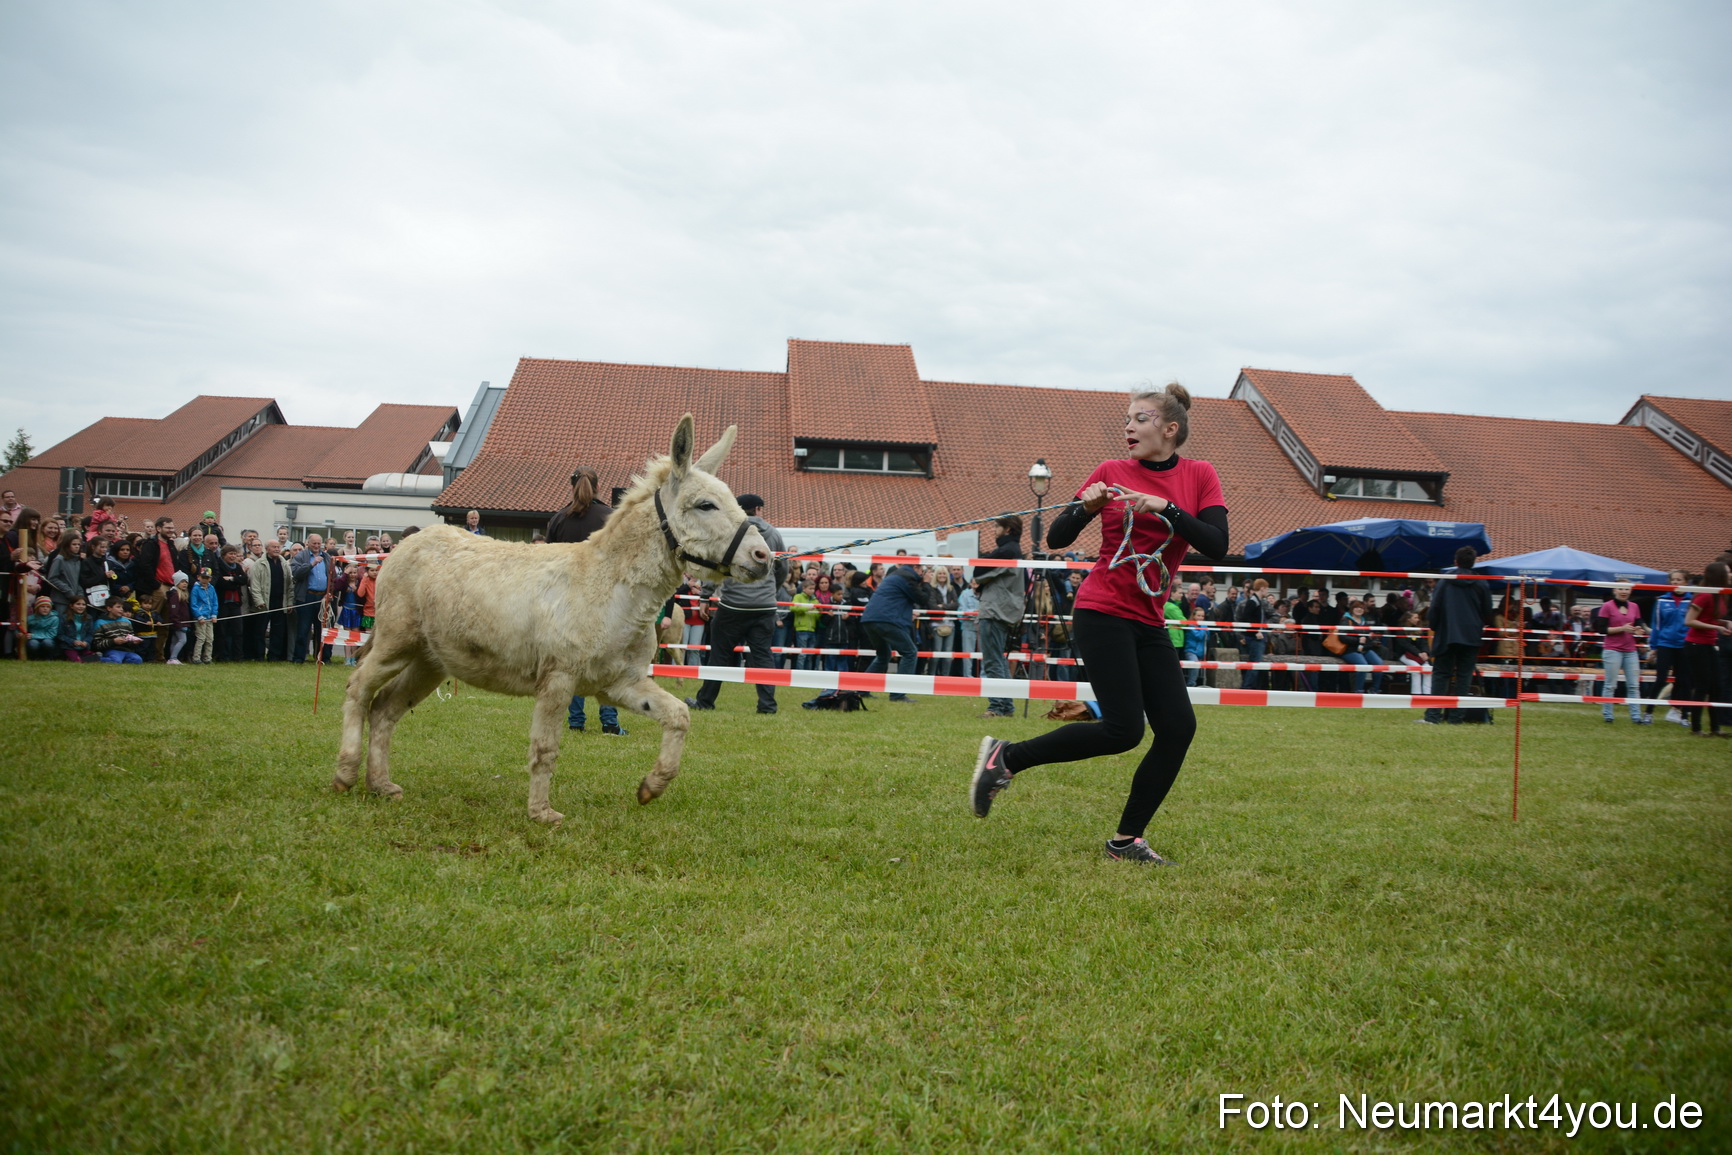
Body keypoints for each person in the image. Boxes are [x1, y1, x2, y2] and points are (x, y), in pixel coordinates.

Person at [972, 382, 1228, 866]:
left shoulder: (1200, 475)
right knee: (1124, 730)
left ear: (1170, 429)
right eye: (1127, 419)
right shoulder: (1111, 472)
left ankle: (1126, 841)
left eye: (1141, 418)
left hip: (1150, 619)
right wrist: (1084, 507)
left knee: (1177, 729)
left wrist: (1166, 509)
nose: (1129, 427)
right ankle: (1007, 758)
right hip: (1103, 608)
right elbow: (1055, 536)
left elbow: (1216, 542)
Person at [688, 494, 788, 715]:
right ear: (758, 509)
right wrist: (771, 590)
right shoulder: (773, 534)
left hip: (733, 606)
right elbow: (783, 569)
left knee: (719, 655)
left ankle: (705, 701)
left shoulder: (729, 534)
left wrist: (705, 596)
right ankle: (767, 706)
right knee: (763, 656)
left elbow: (714, 566)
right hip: (765, 606)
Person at [544, 466, 627, 733]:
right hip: (604, 601)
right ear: (599, 487)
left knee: (571, 663)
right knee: (607, 662)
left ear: (571, 487)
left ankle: (576, 721)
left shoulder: (557, 520)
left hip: (568, 603)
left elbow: (548, 563)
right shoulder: (611, 518)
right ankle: (610, 723)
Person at [1422, 548, 1495, 724]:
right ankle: (1456, 717)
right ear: (1473, 562)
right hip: (1471, 635)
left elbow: (1435, 608)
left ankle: (1433, 716)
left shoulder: (1446, 581)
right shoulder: (1481, 583)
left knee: (1441, 675)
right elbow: (1488, 611)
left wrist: (1434, 627)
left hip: (1447, 634)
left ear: (1456, 561)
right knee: (1464, 677)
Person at [974, 516, 1026, 718]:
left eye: (997, 526)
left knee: (992, 661)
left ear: (1008, 529)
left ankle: (996, 707)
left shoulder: (1006, 551)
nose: (994, 530)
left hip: (995, 610)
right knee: (999, 660)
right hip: (1004, 609)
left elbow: (979, 571)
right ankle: (1006, 706)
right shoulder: (1014, 550)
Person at [859, 560, 927, 702]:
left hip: (869, 619)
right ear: (915, 567)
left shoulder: (894, 576)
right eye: (922, 569)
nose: (923, 572)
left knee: (883, 655)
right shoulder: (908, 578)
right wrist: (925, 582)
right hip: (886, 620)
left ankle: (861, 690)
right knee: (910, 653)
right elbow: (923, 599)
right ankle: (897, 694)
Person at [1681, 561, 1729, 738]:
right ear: (1719, 575)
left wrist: (1725, 623)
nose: (1730, 575)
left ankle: (1715, 728)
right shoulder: (1705, 595)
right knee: (1702, 686)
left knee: (1717, 686)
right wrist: (1717, 628)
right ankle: (1696, 728)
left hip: (1709, 644)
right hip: (1696, 644)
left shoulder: (1721, 595)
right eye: (1728, 572)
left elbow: (1711, 618)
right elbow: (1689, 620)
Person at [1592, 583, 1648, 724]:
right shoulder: (1607, 606)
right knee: (1610, 684)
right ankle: (1608, 715)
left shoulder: (1634, 606)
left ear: (1630, 591)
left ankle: (1636, 716)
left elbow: (1639, 625)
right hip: (1612, 649)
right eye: (1621, 588)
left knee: (1634, 685)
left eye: (1627, 589)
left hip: (1630, 650)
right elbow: (1602, 629)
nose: (1624, 591)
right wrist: (1622, 628)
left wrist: (1639, 631)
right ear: (1614, 590)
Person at [1646, 571, 1693, 724]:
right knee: (1660, 679)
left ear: (1686, 582)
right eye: (1673, 580)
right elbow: (1656, 625)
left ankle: (1683, 715)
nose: (1676, 582)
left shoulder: (1692, 601)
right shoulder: (1661, 601)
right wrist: (1653, 647)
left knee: (1684, 681)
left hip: (1684, 645)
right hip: (1665, 644)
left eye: (1679, 579)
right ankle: (1648, 713)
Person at [289, 533, 333, 664]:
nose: (317, 546)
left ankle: (323, 658)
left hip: (322, 598)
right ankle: (299, 658)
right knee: (303, 629)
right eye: (314, 543)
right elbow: (296, 574)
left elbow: (332, 576)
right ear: (307, 543)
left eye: (319, 543)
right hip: (306, 596)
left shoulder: (327, 557)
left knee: (322, 630)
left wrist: (329, 592)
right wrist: (312, 564)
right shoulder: (300, 556)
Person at [248, 538, 293, 661]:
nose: (277, 549)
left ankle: (274, 656)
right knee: (260, 631)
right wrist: (259, 601)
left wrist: (289, 602)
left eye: (278, 547)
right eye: (274, 547)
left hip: (280, 602)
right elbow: (254, 585)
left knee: (278, 631)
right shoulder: (259, 564)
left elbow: (290, 586)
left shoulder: (284, 564)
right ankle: (259, 656)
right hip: (264, 603)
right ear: (267, 549)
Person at [190, 568, 219, 664]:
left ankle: (207, 658)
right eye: (203, 577)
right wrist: (199, 616)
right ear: (199, 577)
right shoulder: (195, 589)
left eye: (207, 578)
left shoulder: (212, 588)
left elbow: (215, 602)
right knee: (201, 638)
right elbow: (193, 604)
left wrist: (214, 614)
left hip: (210, 618)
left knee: (210, 639)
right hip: (201, 618)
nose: (205, 580)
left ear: (210, 579)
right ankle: (196, 658)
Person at [164, 576, 192, 664]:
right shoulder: (175, 595)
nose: (184, 584)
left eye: (186, 582)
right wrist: (177, 623)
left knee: (175, 640)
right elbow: (174, 611)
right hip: (178, 623)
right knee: (183, 640)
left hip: (182, 622)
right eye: (182, 582)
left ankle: (172, 658)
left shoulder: (183, 594)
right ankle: (173, 657)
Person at [57, 595, 94, 661]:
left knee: (94, 659)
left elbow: (90, 634)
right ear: (71, 606)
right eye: (78, 604)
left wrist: (86, 642)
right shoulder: (64, 618)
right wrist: (73, 642)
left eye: (83, 604)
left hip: (83, 647)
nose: (81, 606)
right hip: (69, 647)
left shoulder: (89, 618)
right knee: (77, 660)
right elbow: (60, 635)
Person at [26, 595, 61, 660]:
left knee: (47, 643)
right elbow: (23, 628)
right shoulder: (30, 618)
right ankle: (34, 657)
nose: (45, 609)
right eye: (42, 606)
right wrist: (19, 634)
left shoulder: (54, 619)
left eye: (48, 607)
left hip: (48, 638)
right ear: (37, 607)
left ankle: (48, 657)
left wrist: (33, 636)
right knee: (33, 644)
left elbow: (52, 634)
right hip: (33, 639)